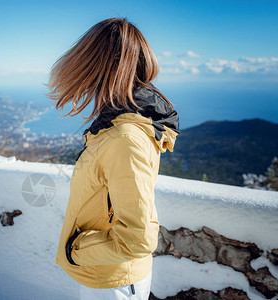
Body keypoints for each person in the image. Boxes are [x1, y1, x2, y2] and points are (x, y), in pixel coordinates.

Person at [47, 17, 180, 300]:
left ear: (97, 66)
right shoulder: (121, 126)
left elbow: (137, 238)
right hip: (109, 275)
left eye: (83, 62)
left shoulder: (124, 138)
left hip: (113, 282)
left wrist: (77, 249)